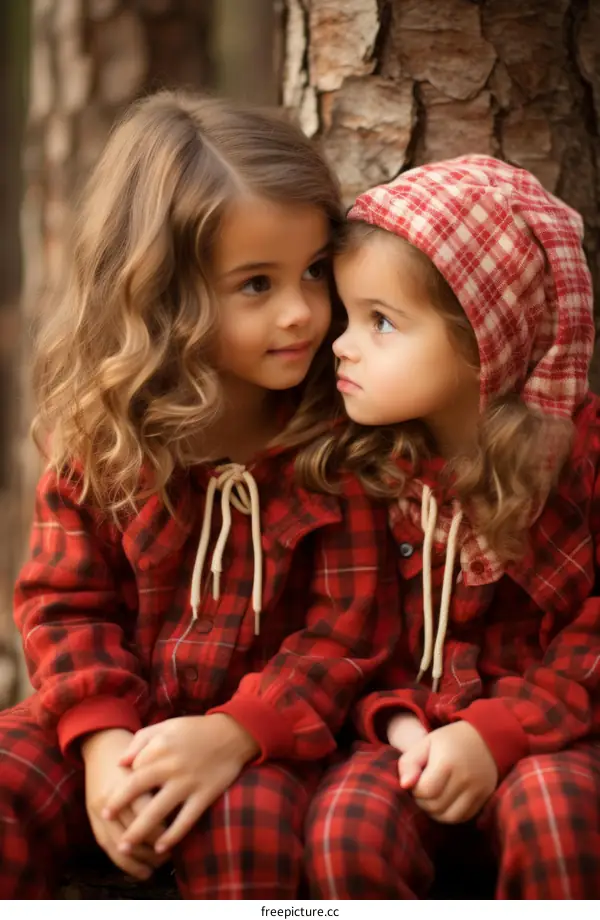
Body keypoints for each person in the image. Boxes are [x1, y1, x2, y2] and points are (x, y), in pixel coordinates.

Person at [0, 91, 399, 899]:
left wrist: (233, 734)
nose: (302, 313)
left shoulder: (336, 435)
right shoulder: (105, 437)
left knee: (243, 828)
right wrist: (105, 746)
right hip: (112, 727)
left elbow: (349, 631)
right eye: (256, 284)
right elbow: (64, 605)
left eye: (316, 271)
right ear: (161, 292)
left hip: (270, 742)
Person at [304, 155, 600, 899]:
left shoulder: (575, 461)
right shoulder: (367, 465)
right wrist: (408, 732)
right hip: (405, 734)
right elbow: (351, 633)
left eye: (380, 322)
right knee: (348, 827)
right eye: (345, 316)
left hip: (550, 733)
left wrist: (493, 734)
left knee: (557, 814)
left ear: (484, 339)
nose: (340, 343)